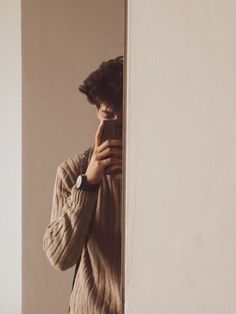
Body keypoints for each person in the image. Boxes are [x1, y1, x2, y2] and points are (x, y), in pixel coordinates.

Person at [43, 56, 124, 314]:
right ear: (97, 111)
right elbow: (60, 257)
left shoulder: (163, 168)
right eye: (109, 115)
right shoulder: (73, 171)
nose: (119, 126)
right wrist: (88, 183)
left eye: (125, 117)